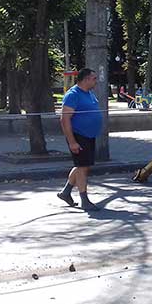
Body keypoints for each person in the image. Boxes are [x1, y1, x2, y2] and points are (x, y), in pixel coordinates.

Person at [57, 67, 103, 211]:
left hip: (88, 135)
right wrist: (72, 142)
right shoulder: (73, 95)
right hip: (78, 135)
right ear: (86, 79)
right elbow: (64, 119)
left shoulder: (89, 93)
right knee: (83, 167)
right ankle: (84, 200)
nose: (96, 81)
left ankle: (66, 192)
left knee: (82, 165)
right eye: (94, 78)